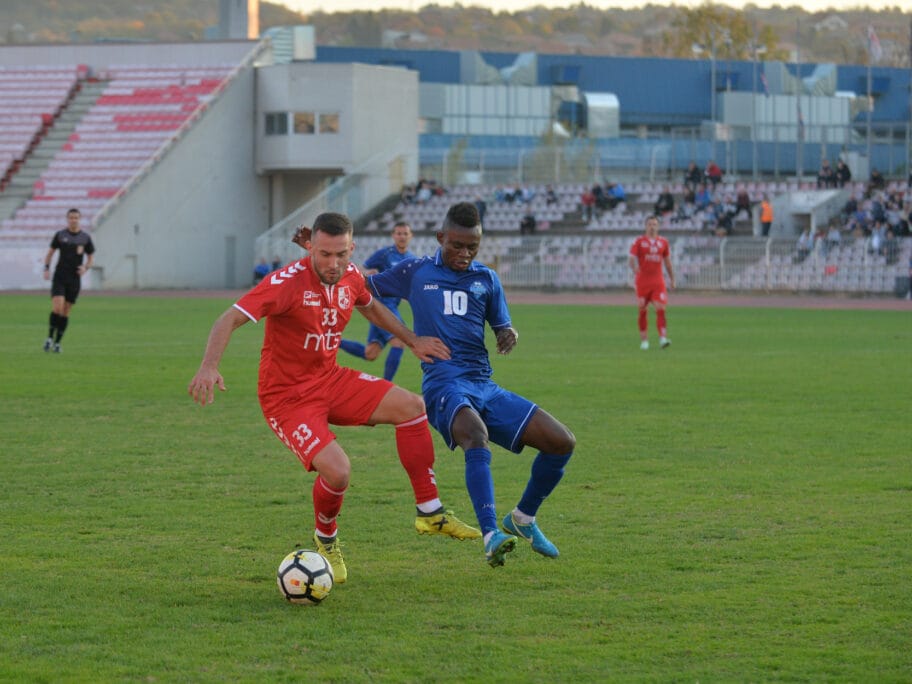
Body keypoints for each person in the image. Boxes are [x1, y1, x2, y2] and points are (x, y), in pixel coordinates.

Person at [187, 213, 480, 585]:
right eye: (324, 254)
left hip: (329, 379)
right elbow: (228, 318)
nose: (333, 263)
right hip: (287, 398)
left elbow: (371, 305)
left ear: (351, 248)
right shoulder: (284, 283)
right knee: (338, 471)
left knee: (411, 407)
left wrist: (411, 339)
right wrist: (209, 366)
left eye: (340, 254)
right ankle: (326, 541)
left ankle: (430, 511)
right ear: (311, 248)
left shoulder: (352, 275)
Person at [369, 202, 575, 569]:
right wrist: (409, 337)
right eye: (457, 246)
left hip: (483, 383)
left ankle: (523, 519)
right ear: (440, 238)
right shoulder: (415, 271)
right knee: (474, 435)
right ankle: (491, 534)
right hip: (443, 384)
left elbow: (502, 326)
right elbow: (360, 291)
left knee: (561, 443)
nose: (464, 254)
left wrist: (508, 334)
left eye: (472, 248)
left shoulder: (487, 279)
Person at [339, 221, 416, 382]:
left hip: (393, 306)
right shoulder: (384, 254)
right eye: (398, 233)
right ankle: (387, 386)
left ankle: (334, 340)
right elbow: (360, 270)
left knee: (370, 353)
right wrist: (368, 272)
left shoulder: (411, 259)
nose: (402, 236)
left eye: (405, 233)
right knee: (399, 342)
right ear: (393, 235)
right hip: (380, 305)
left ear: (411, 236)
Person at [42, 208, 95, 353]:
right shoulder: (60, 235)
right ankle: (49, 338)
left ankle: (58, 343)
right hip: (60, 276)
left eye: (76, 218)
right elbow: (50, 253)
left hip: (74, 279)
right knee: (57, 308)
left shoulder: (85, 238)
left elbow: (91, 258)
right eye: (71, 218)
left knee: (66, 312)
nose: (73, 220)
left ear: (80, 219)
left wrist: (85, 267)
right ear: (67, 219)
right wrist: (46, 268)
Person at [628, 214, 675, 350]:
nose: (652, 227)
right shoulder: (638, 241)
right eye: (649, 224)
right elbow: (631, 258)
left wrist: (672, 279)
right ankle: (644, 341)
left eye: (654, 224)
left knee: (660, 308)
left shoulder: (664, 242)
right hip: (642, 282)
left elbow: (667, 263)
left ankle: (663, 338)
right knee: (642, 310)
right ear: (645, 226)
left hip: (658, 282)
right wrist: (634, 267)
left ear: (658, 226)